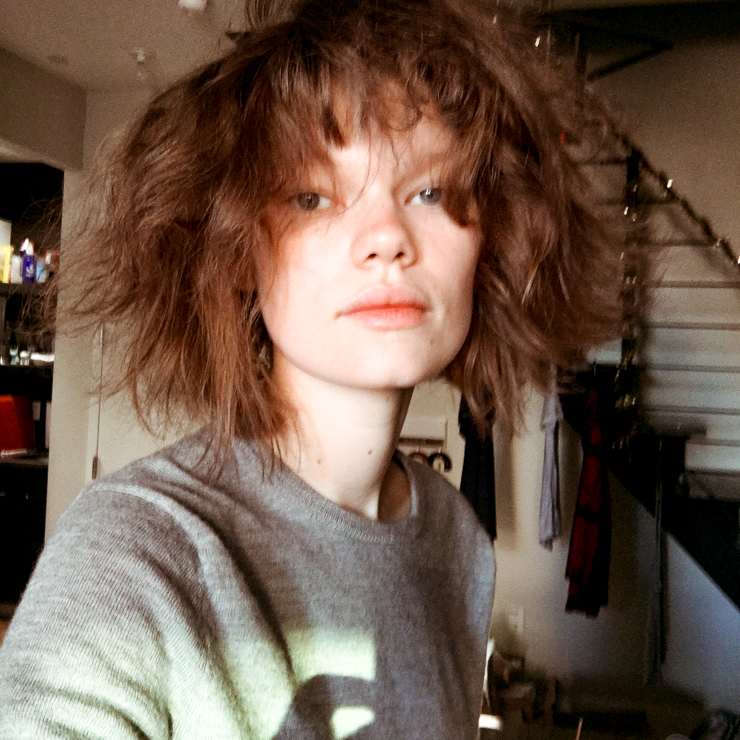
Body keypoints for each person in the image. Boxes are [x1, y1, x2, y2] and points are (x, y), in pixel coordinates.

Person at [0, 0, 621, 737]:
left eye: (428, 191)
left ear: (493, 238)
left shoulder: (456, 540)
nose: (386, 237)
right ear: (238, 250)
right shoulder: (136, 553)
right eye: (314, 196)